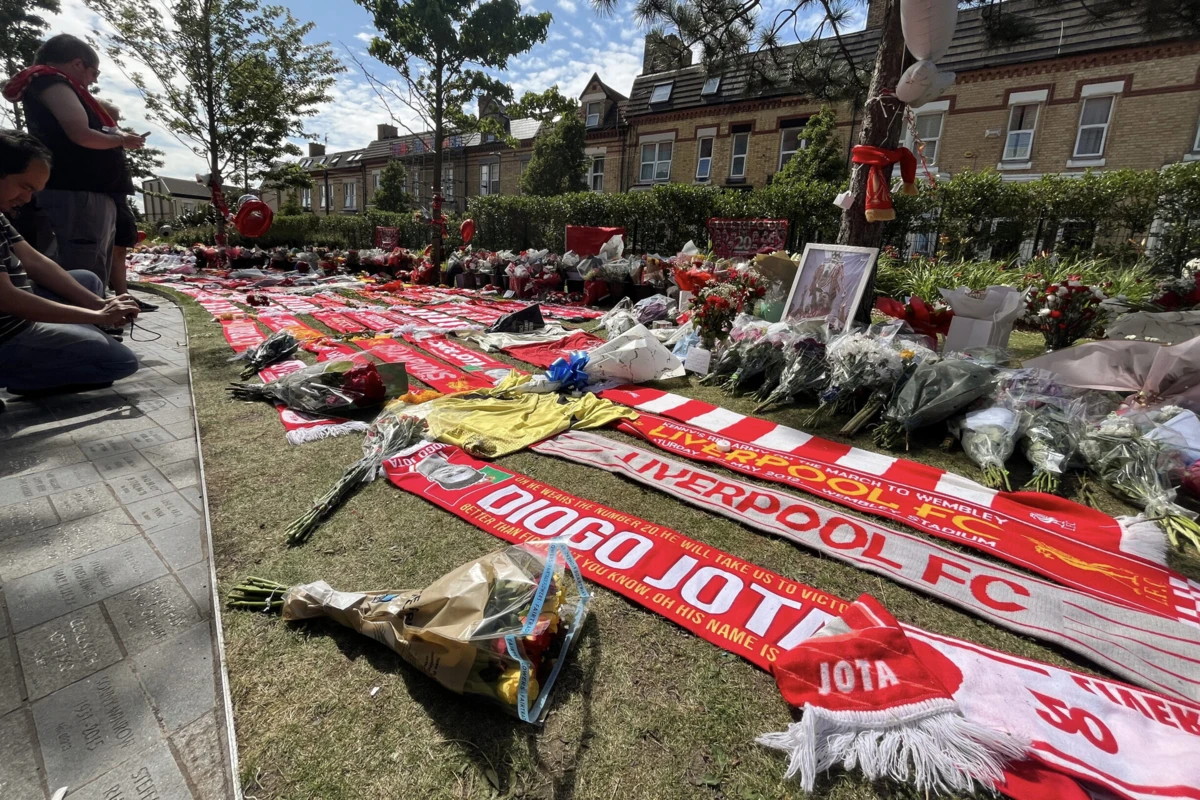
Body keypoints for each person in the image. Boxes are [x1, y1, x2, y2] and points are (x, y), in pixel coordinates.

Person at [0, 129, 140, 404]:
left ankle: (73, 331)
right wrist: (99, 317)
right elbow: (7, 299)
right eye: (25, 186)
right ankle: (17, 373)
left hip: (18, 313)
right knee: (120, 363)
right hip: (8, 329)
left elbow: (36, 262)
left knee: (86, 281)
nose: (27, 199)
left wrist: (99, 305)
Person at [2, 33, 146, 287]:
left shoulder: (59, 84)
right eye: (94, 73)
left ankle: (94, 318)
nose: (92, 81)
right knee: (82, 260)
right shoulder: (50, 80)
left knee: (94, 260)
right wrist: (122, 140)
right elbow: (81, 133)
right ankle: (87, 320)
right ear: (77, 64)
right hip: (77, 191)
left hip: (88, 192)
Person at [96, 99, 156, 311]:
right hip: (104, 195)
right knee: (101, 251)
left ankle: (122, 296)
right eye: (113, 120)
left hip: (117, 195)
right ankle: (104, 301)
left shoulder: (111, 138)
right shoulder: (95, 137)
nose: (116, 125)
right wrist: (119, 140)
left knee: (119, 247)